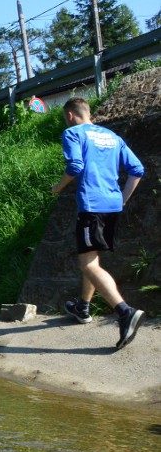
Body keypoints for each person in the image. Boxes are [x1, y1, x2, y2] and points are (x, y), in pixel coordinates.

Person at [52, 96, 144, 350]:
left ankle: (124, 312)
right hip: (112, 205)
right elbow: (137, 169)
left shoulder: (73, 133)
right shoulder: (112, 136)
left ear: (70, 115)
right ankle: (83, 307)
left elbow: (75, 165)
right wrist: (122, 199)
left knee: (86, 262)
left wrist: (58, 188)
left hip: (92, 205)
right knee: (92, 259)